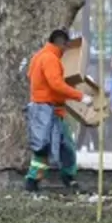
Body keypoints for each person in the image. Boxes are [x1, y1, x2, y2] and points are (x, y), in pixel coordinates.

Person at [25, 29, 90, 192]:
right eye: (66, 46)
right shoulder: (50, 59)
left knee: (59, 145)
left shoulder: (39, 56)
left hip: (46, 109)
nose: (66, 50)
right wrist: (80, 96)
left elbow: (31, 76)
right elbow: (56, 84)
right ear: (61, 42)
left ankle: (61, 178)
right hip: (48, 109)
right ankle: (36, 180)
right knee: (49, 147)